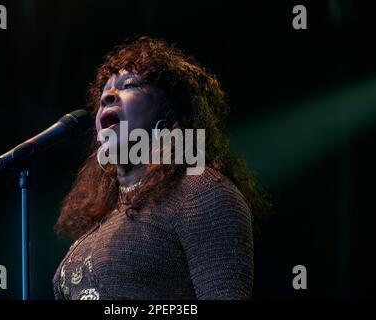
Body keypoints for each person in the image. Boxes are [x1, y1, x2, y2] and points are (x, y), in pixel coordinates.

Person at [53, 36, 270, 300]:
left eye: (129, 85)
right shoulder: (105, 216)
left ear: (169, 109)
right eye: (103, 93)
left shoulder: (201, 193)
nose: (108, 96)